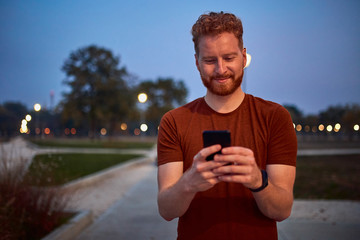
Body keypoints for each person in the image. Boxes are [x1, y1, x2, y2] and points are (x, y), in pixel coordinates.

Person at [157, 11, 297, 240]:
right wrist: (189, 182)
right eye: (210, 60)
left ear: (243, 57)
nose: (221, 69)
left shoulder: (275, 117)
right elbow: (166, 210)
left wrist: (257, 180)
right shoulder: (174, 121)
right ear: (197, 62)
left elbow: (282, 211)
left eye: (229, 58)